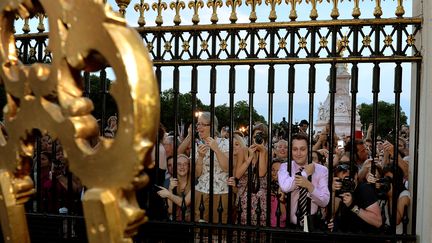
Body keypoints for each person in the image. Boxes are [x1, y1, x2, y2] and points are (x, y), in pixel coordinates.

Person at [278, 133, 330, 229]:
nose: (298, 153)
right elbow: (285, 187)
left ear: (308, 149)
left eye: (302, 149)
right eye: (295, 149)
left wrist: (309, 186)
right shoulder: (285, 167)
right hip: (291, 226)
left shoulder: (321, 170)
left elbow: (325, 201)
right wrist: (305, 173)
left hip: (313, 224)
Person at [192, 112, 229, 223]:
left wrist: (216, 149)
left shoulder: (225, 143)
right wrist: (200, 157)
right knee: (201, 229)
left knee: (219, 230)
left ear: (212, 126)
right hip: (201, 191)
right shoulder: (197, 145)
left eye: (202, 124)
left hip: (221, 192)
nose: (199, 127)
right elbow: (197, 174)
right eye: (198, 124)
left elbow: (227, 168)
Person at [331, 162, 383, 233]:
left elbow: (378, 222)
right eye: (340, 180)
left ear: (355, 176)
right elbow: (331, 214)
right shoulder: (340, 189)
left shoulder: (365, 189)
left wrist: (352, 206)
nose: (344, 183)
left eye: (346, 179)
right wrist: (333, 192)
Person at [235, 123, 268, 227]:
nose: (257, 139)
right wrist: (249, 158)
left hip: (260, 197)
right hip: (244, 195)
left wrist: (262, 152)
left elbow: (261, 173)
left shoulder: (266, 152)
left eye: (260, 136)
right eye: (255, 136)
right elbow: (238, 174)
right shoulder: (243, 150)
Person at [157, 154, 192, 221]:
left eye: (185, 164)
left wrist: (168, 194)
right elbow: (170, 210)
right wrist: (170, 189)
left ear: (189, 167)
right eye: (179, 164)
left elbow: (185, 203)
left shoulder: (195, 182)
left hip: (192, 222)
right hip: (175, 222)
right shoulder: (168, 182)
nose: (182, 167)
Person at [270, 159, 286, 227]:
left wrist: (281, 200)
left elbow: (284, 216)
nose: (275, 173)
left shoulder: (287, 187)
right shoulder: (267, 186)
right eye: (273, 170)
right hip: (265, 225)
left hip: (280, 227)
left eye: (278, 170)